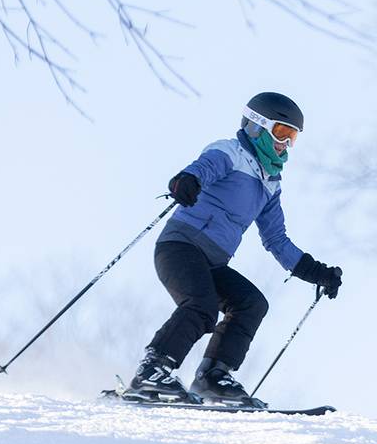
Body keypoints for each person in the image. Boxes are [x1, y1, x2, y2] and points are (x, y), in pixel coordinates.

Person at [121, 92, 344, 407]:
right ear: (258, 125)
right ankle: (153, 370)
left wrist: (317, 272)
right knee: (201, 306)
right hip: (181, 246)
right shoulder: (231, 152)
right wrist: (186, 181)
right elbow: (204, 168)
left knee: (251, 303)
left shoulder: (270, 183)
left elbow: (276, 239)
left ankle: (213, 376)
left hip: (211, 261)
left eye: (292, 137)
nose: (285, 144)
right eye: (281, 132)